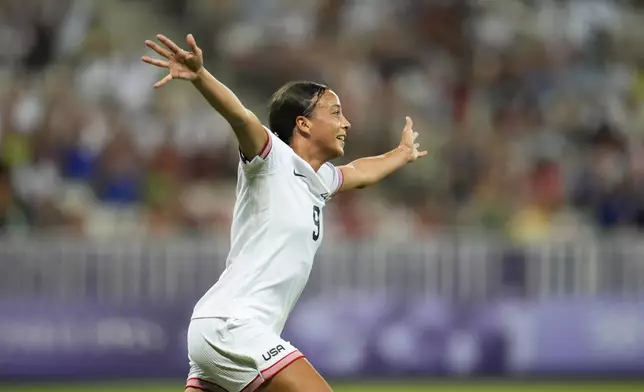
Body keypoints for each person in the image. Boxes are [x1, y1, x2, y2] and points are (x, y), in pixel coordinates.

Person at [142, 33, 427, 392]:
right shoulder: (270, 159)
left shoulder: (318, 179)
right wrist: (201, 77)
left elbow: (360, 174)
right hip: (235, 325)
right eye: (336, 113)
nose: (347, 123)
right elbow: (239, 117)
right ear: (304, 124)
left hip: (221, 328)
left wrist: (401, 153)